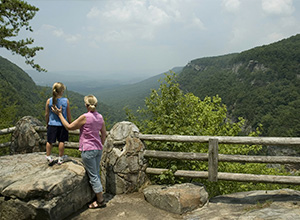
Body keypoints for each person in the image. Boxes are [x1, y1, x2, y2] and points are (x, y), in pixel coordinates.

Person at [52, 94, 107, 209]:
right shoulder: (100, 117)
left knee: (94, 176)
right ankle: (97, 196)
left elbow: (69, 126)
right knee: (96, 173)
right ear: (95, 104)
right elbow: (104, 133)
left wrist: (60, 114)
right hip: (98, 149)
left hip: (88, 149)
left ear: (86, 105)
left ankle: (100, 201)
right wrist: (101, 144)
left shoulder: (85, 117)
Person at [45, 82, 72, 165]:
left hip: (52, 124)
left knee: (49, 141)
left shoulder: (49, 101)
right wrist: (70, 123)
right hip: (62, 125)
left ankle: (48, 156)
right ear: (62, 91)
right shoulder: (65, 101)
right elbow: (68, 114)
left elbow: (46, 114)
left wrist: (47, 123)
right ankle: (60, 158)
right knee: (61, 141)